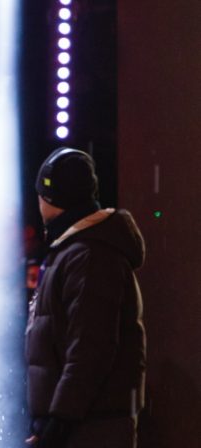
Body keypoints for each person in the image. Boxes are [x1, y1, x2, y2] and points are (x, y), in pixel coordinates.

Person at [25, 148, 146, 448]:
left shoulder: (90, 255)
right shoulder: (77, 249)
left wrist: (60, 420)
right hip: (84, 423)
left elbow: (91, 347)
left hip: (90, 427)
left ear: (50, 198)